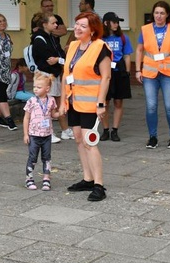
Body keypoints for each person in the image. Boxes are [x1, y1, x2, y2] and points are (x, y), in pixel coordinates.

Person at [60, 12, 112, 202]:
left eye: (83, 25)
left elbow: (105, 77)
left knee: (90, 142)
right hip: (74, 102)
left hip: (90, 103)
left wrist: (100, 103)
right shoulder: (73, 46)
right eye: (77, 24)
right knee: (78, 139)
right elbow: (66, 75)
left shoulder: (101, 48)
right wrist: (63, 102)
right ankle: (87, 178)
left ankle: (99, 185)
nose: (78, 28)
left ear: (92, 30)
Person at [135, 1, 170, 149]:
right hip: (150, 73)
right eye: (156, 12)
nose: (159, 16)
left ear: (167, 14)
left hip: (169, 73)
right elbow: (139, 50)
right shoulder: (145, 29)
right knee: (151, 106)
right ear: (153, 14)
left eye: (162, 13)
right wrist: (137, 70)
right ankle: (152, 137)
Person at [32, 12, 71, 143]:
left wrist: (59, 60)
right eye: (53, 23)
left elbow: (60, 57)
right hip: (45, 75)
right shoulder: (39, 39)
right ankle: (47, 133)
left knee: (59, 104)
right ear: (45, 24)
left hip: (55, 74)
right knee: (47, 106)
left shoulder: (53, 38)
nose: (56, 25)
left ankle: (66, 130)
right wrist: (58, 61)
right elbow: (48, 60)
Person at [23, 72, 59, 191]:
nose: (35, 89)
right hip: (34, 135)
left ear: (47, 89)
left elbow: (53, 115)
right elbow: (26, 118)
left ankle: (46, 179)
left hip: (47, 135)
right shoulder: (32, 101)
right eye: (34, 87)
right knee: (32, 157)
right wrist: (25, 134)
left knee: (47, 157)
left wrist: (61, 112)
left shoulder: (51, 100)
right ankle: (29, 178)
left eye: (39, 87)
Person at [101, 12, 133, 141]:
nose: (116, 24)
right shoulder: (100, 39)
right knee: (105, 101)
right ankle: (105, 129)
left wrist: (127, 72)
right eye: (114, 22)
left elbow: (127, 55)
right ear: (106, 23)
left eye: (117, 22)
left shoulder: (123, 38)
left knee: (119, 101)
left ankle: (115, 130)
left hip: (119, 71)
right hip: (105, 72)